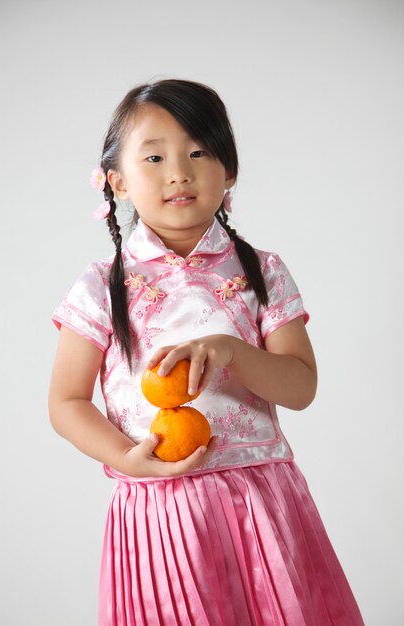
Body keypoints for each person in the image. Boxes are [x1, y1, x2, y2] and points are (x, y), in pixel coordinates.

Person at [48, 78, 365, 626]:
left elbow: (301, 387)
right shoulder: (102, 285)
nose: (179, 171)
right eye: (154, 157)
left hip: (260, 500)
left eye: (199, 151)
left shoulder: (261, 272)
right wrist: (128, 461)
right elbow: (66, 402)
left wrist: (231, 351)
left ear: (230, 171)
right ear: (117, 181)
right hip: (157, 507)